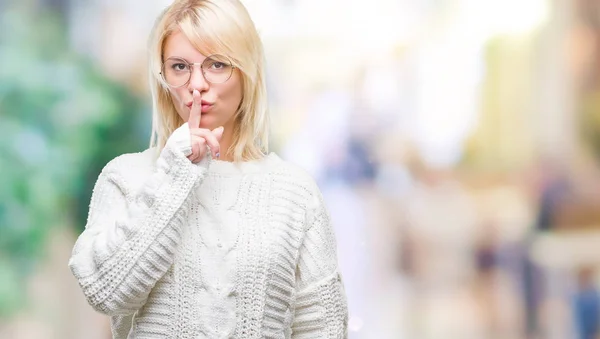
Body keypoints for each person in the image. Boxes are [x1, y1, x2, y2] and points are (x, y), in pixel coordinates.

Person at [68, 1, 348, 338]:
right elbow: (105, 292)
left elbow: (323, 327)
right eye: (180, 66)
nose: (196, 84)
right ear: (163, 77)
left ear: (248, 71)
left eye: (217, 64)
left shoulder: (295, 193)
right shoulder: (126, 177)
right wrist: (176, 174)